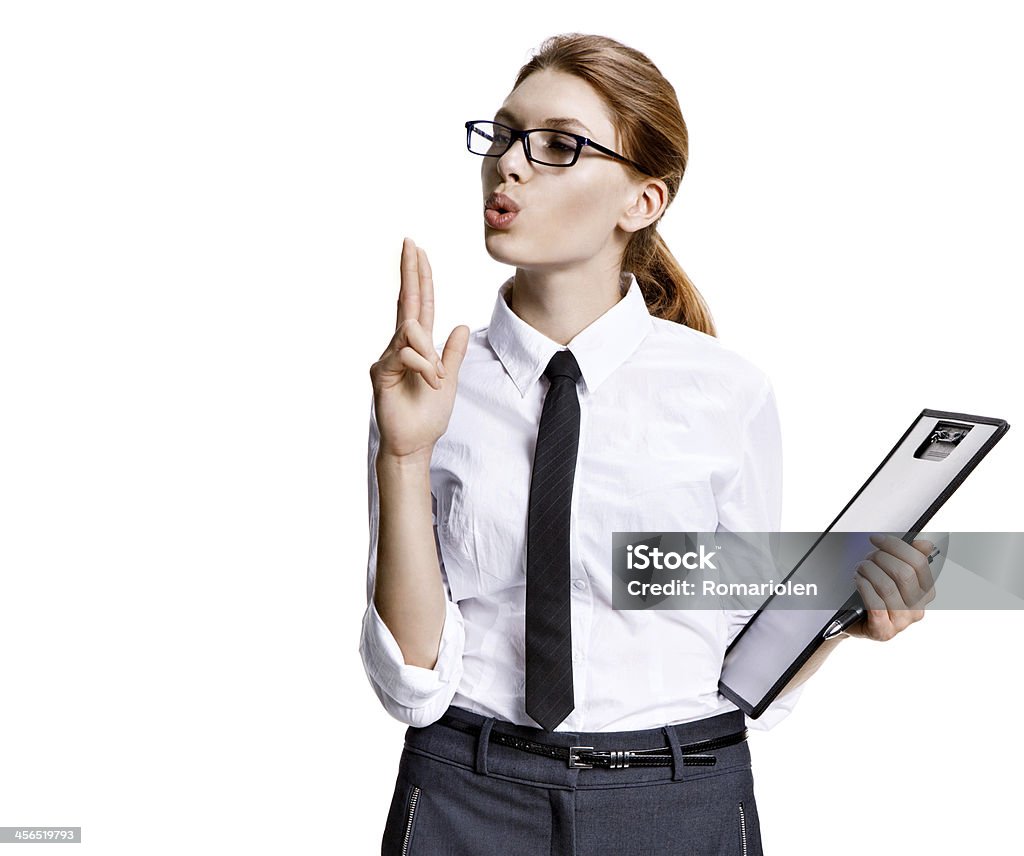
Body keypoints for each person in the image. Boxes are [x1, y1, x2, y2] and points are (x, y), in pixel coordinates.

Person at [359, 32, 936, 856]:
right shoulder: (429, 382)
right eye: (503, 134)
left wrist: (843, 620)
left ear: (644, 201)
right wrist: (405, 453)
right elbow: (412, 681)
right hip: (467, 794)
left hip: (678, 799)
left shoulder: (725, 393)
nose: (508, 165)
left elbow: (739, 652)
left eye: (557, 144)